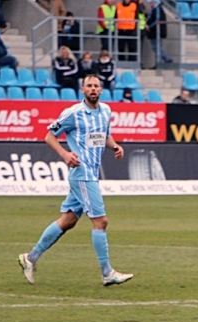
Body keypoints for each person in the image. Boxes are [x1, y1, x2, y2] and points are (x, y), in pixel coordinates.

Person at [18, 74, 132, 287]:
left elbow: (103, 136)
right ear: (82, 90)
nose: (93, 89)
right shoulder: (74, 113)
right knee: (101, 221)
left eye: (96, 86)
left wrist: (115, 146)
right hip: (82, 174)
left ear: (101, 89)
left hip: (91, 173)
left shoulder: (106, 111)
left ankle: (30, 258)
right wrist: (65, 154)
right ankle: (107, 273)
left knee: (68, 220)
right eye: (89, 86)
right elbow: (49, 136)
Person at [145, 0, 172, 68]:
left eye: (151, 2)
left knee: (157, 47)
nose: (150, 4)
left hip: (157, 32)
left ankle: (167, 59)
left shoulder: (157, 9)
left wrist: (150, 26)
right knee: (156, 48)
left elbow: (157, 20)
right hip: (154, 32)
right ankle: (158, 63)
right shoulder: (154, 9)